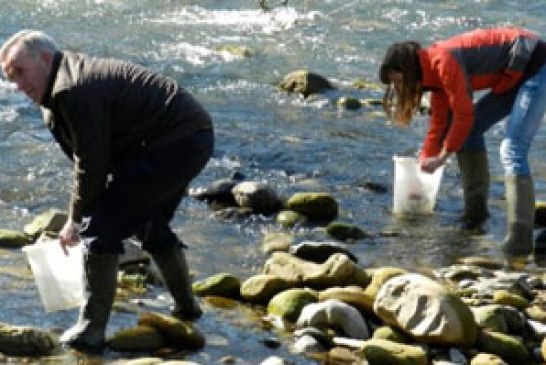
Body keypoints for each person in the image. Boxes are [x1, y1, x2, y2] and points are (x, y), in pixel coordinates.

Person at [0, 29, 214, 353]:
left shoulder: (73, 89)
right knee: (146, 222)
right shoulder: (57, 93)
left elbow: (92, 164)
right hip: (180, 138)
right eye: (10, 77)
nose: (17, 84)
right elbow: (88, 163)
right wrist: (86, 209)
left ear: (45, 59)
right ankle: (188, 308)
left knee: (99, 228)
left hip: (179, 141)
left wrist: (75, 219)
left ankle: (91, 330)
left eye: (20, 72)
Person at [379, 27, 546, 265]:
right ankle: (475, 215)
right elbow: (439, 123)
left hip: (536, 64)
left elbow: (463, 114)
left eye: (398, 80)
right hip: (512, 75)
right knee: (470, 132)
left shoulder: (444, 60)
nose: (397, 88)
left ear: (408, 69)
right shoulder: (432, 79)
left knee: (512, 148)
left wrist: (443, 156)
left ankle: (520, 240)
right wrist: (425, 160)